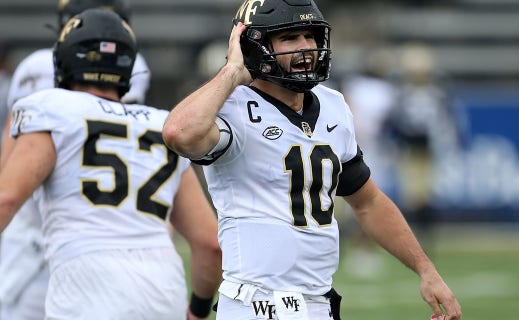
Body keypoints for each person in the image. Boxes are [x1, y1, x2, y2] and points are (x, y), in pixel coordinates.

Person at [162, 0, 462, 319]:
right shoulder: (232, 107)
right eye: (290, 38)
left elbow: (368, 202)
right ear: (254, 45)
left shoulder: (333, 106)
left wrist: (426, 270)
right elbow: (178, 132)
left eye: (311, 36)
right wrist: (233, 71)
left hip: (318, 302)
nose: (307, 47)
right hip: (255, 303)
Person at [0, 9, 221, 320]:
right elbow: (211, 243)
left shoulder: (51, 108)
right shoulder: (163, 126)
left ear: (64, 61)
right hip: (162, 290)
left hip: (86, 287)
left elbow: (5, 199)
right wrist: (198, 309)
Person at [0, 1, 150, 319]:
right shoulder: (131, 66)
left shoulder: (41, 69)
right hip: (79, 239)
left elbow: (8, 159)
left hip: (63, 235)